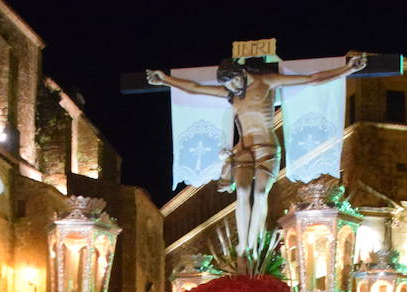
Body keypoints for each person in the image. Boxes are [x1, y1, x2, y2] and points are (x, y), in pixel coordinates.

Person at [147, 54, 366, 258]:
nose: (232, 88)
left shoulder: (266, 81)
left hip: (266, 148)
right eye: (228, 85)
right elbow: (195, 88)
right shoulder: (232, 95)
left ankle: (254, 243)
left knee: (260, 193)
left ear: (241, 73)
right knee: (242, 191)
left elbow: (311, 79)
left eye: (233, 81)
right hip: (242, 150)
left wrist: (347, 69)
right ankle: (243, 244)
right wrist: (166, 80)